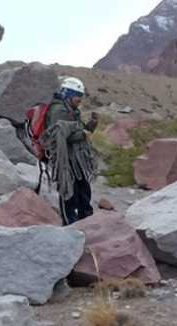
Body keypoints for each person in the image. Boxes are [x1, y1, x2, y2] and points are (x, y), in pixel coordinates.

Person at [44, 76, 98, 225]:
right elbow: (60, 135)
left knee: (83, 187)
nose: (80, 100)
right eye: (77, 96)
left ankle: (86, 219)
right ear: (68, 94)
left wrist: (90, 126)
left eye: (80, 97)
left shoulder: (72, 110)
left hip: (76, 157)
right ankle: (70, 223)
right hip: (64, 158)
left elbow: (76, 129)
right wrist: (84, 133)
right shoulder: (58, 110)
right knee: (68, 189)